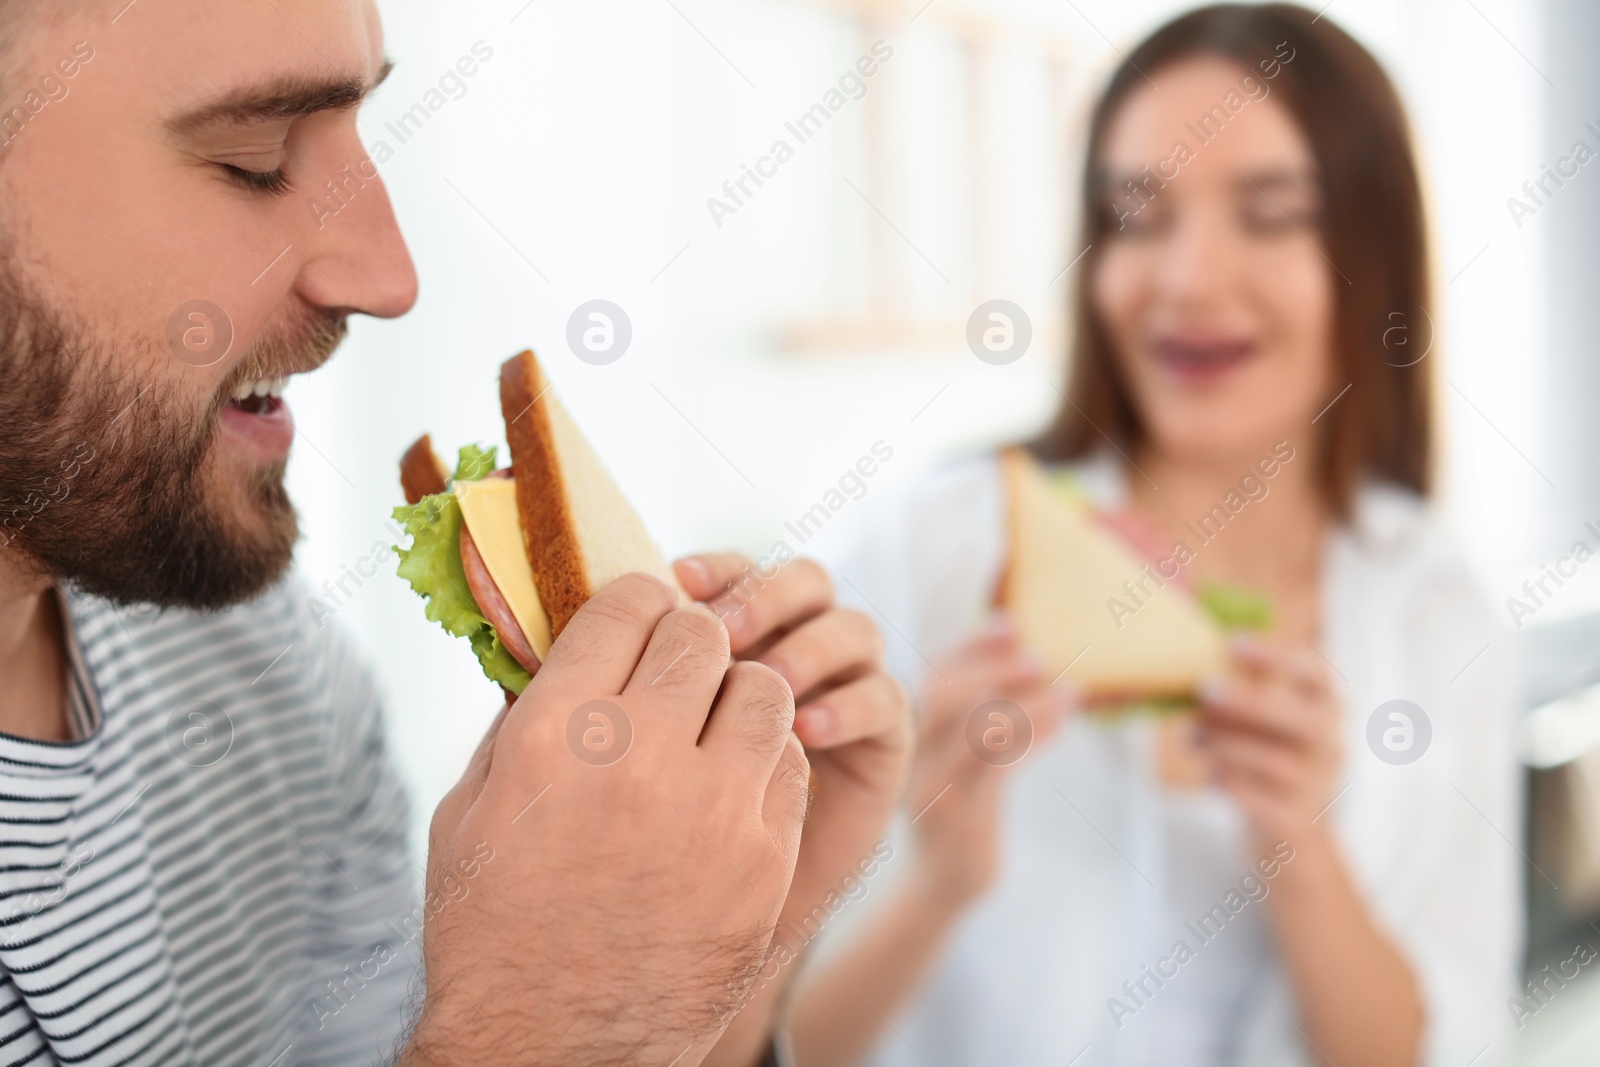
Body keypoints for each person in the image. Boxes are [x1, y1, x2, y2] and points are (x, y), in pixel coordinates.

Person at [0, 2, 910, 1065]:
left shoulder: (268, 659)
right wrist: (549, 1033)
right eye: (252, 160)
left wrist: (708, 977)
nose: (391, 277)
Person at [793, 5, 1521, 1066]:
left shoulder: (1434, 597)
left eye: (1271, 213)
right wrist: (938, 880)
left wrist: (1299, 852)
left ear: (1373, 257)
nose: (1184, 280)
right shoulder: (929, 549)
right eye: (1135, 213)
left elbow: (1443, 1046)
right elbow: (743, 1039)